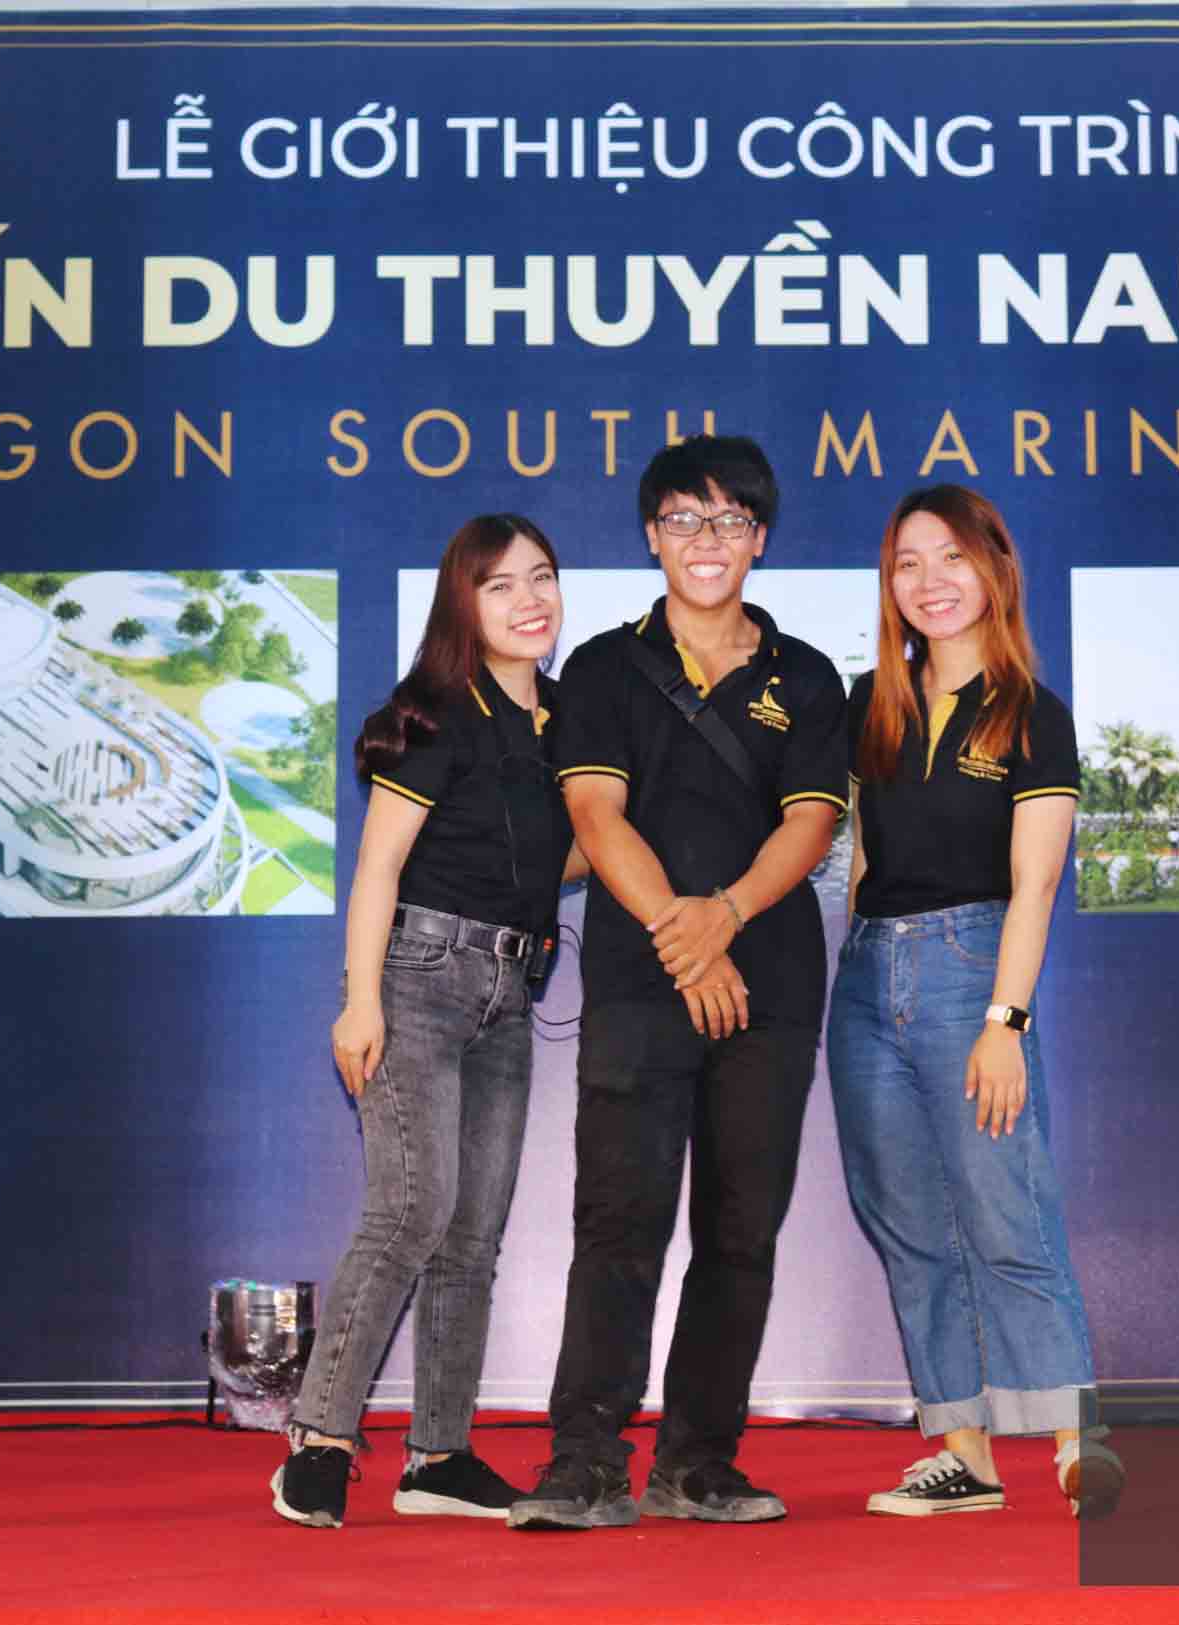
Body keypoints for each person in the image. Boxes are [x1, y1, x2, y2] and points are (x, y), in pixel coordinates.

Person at [507, 435, 848, 1529]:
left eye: (731, 520)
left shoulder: (807, 676)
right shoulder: (604, 668)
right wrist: (680, 936)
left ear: (761, 538)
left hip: (770, 982)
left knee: (741, 1228)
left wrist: (726, 917)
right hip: (640, 980)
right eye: (685, 520)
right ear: (653, 535)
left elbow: (811, 822)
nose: (709, 540)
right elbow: (594, 814)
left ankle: (699, 1460)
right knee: (620, 1219)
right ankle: (584, 1458)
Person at [273, 513, 579, 1529]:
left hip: (511, 989)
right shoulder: (435, 712)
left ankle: (439, 1455)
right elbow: (378, 867)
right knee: (410, 1210)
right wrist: (360, 998)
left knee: (473, 1235)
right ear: (463, 603)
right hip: (417, 977)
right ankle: (320, 1441)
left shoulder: (566, 722)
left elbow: (556, 857)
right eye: (501, 585)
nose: (529, 600)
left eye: (542, 577)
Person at [825, 484, 1124, 1520]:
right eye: (907, 563)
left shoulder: (1032, 712)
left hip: (973, 972)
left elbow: (1034, 885)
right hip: (866, 981)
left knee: (1006, 1211)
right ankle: (964, 1453)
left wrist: (1005, 1021)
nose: (930, 581)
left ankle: (1081, 1444)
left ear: (993, 568)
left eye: (950, 557)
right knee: (907, 1224)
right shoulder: (871, 705)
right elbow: (861, 861)